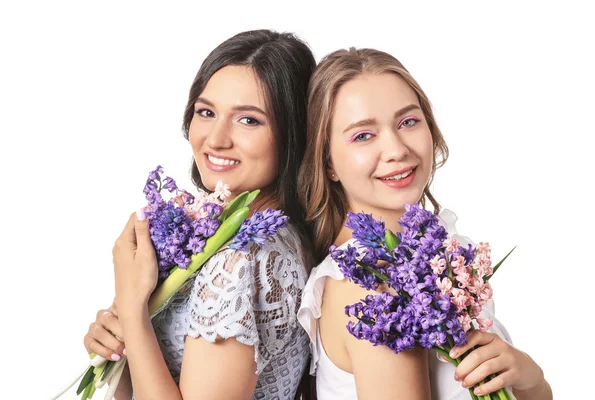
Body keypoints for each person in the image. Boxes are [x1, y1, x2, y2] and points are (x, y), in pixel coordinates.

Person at [297, 47, 552, 399]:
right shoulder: (371, 288)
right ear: (327, 163)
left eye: (408, 122)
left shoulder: (429, 255)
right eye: (362, 135)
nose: (397, 148)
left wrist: (529, 379)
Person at [83, 29, 316, 400]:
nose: (215, 138)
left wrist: (131, 305)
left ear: (295, 134)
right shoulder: (277, 238)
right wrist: (120, 344)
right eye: (206, 112)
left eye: (249, 120)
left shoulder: (243, 259)